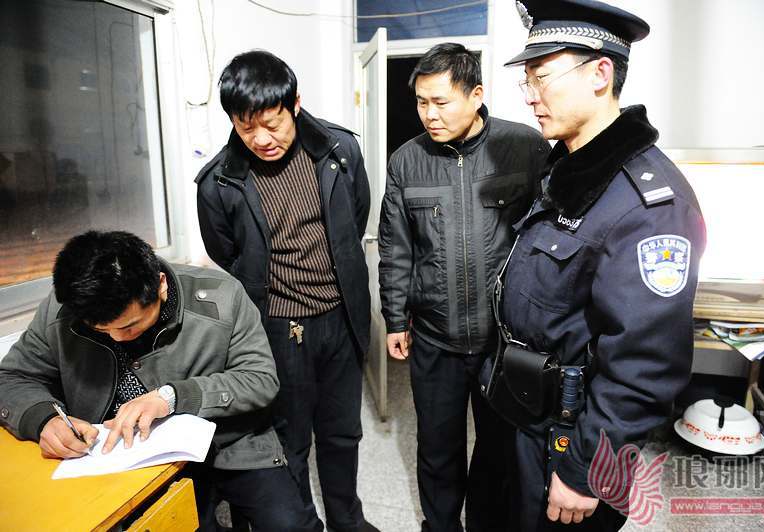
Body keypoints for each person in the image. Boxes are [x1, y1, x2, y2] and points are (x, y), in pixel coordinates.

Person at [495, 0, 707, 529]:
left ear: (600, 74)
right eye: (526, 80)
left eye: (541, 77)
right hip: (530, 415)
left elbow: (645, 366)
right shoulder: (568, 169)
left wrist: (585, 470)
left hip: (576, 439)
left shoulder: (648, 206)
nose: (529, 95)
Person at [0, 230, 322, 531]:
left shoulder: (222, 297)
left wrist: (172, 397)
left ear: (161, 285)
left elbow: (259, 379)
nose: (117, 338)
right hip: (123, 458)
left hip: (230, 442)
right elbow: (12, 377)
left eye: (129, 326)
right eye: (101, 331)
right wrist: (42, 418)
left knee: (290, 524)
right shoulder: (64, 309)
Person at [195, 51, 376, 532]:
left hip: (342, 317)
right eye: (245, 127)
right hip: (278, 328)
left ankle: (348, 519)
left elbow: (354, 220)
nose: (261, 139)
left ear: (294, 104)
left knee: (343, 433)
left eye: (272, 124)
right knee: (289, 441)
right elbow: (227, 254)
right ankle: (304, 524)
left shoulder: (339, 150)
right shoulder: (219, 182)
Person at [378, 42, 551, 532]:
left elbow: (547, 237)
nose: (429, 115)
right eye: (421, 102)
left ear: (476, 95)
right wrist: (395, 317)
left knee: (500, 451)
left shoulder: (524, 147)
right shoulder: (406, 161)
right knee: (437, 449)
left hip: (503, 340)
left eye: (441, 102)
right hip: (436, 338)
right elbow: (396, 247)